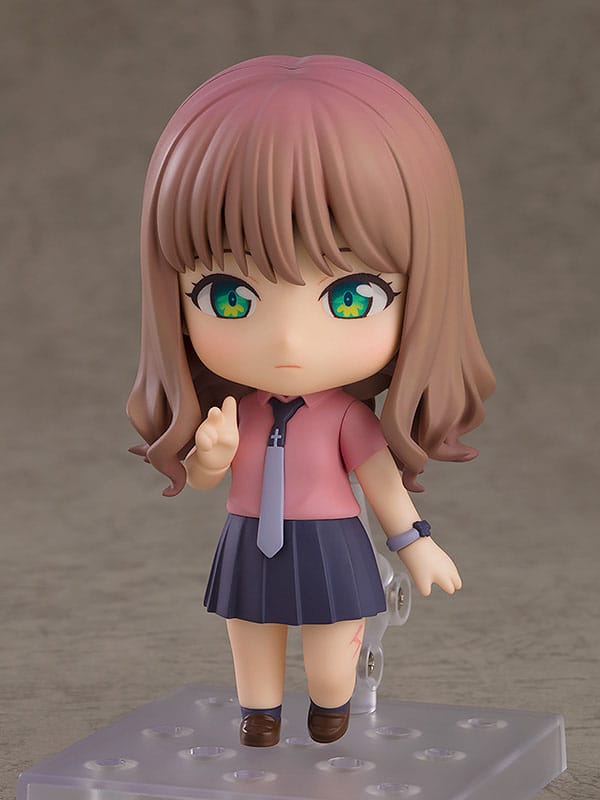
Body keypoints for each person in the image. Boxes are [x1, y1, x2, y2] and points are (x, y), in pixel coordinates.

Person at [127, 54, 496, 747]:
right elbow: (206, 480)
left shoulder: (346, 418)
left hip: (331, 539)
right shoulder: (238, 413)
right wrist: (212, 457)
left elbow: (381, 482)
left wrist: (416, 543)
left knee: (334, 639)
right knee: (250, 629)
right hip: (248, 535)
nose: (289, 339)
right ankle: (259, 713)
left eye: (352, 297)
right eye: (228, 296)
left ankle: (332, 707)